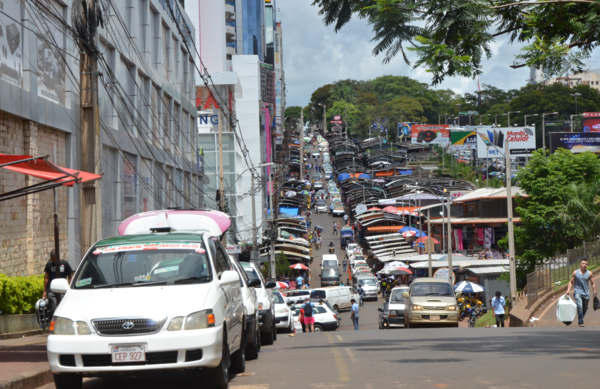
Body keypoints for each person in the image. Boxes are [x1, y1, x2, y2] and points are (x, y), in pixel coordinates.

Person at [566, 257, 597, 327]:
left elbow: (593, 283)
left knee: (585, 308)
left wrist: (595, 292)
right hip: (577, 292)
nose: (584, 265)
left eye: (586, 264)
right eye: (583, 263)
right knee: (580, 306)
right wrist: (568, 290)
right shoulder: (575, 273)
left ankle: (580, 317)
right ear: (580, 264)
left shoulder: (589, 273)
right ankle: (581, 321)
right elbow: (571, 282)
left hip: (586, 293)